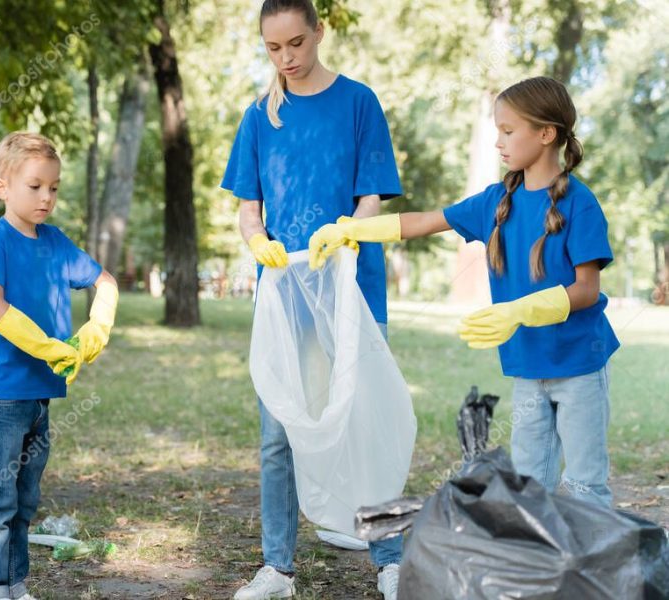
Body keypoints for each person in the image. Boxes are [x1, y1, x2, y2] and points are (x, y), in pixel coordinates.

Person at [310, 76, 619, 509]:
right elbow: (422, 221)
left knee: (586, 484)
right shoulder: (497, 200)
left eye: (508, 131)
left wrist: (520, 311)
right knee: (531, 483)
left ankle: (592, 574)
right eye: (498, 131)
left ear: (546, 134)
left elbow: (587, 289)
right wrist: (352, 230)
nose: (499, 142)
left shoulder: (579, 203)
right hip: (528, 367)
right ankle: (539, 572)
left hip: (580, 365)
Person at [220, 1, 405, 598]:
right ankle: (278, 567)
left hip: (349, 285)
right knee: (279, 429)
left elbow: (372, 198)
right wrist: (259, 242)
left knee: (361, 419)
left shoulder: (358, 103)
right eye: (274, 49)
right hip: (284, 294)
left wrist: (345, 233)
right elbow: (249, 211)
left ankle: (390, 559)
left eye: (296, 43)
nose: (287, 58)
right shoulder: (258, 116)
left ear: (319, 32)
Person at [0, 131, 119, 600]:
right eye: (35, 186)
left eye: (53, 187)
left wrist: (98, 325)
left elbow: (105, 280)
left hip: (39, 396)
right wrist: (44, 344)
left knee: (26, 497)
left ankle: (15, 582)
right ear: (3, 187)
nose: (46, 197)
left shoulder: (55, 243)